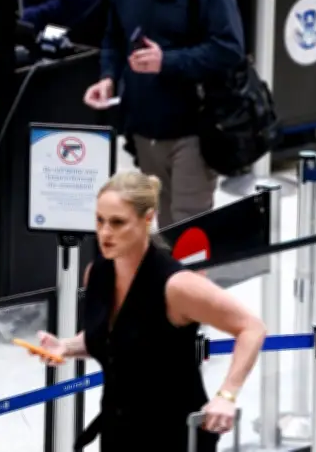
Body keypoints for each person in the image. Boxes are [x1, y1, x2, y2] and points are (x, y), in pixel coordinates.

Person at [29, 171, 266, 451]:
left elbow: (251, 327)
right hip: (119, 433)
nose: (105, 233)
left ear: (147, 219)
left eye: (118, 223)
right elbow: (116, 338)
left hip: (173, 436)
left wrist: (227, 394)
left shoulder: (177, 286)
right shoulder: (97, 273)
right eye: (100, 220)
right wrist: (66, 347)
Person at [83, 0, 245, 229]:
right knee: (160, 226)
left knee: (188, 230)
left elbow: (229, 49)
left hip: (192, 131)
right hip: (144, 131)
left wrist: (166, 61)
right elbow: (113, 37)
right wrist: (108, 76)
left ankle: (188, 282)